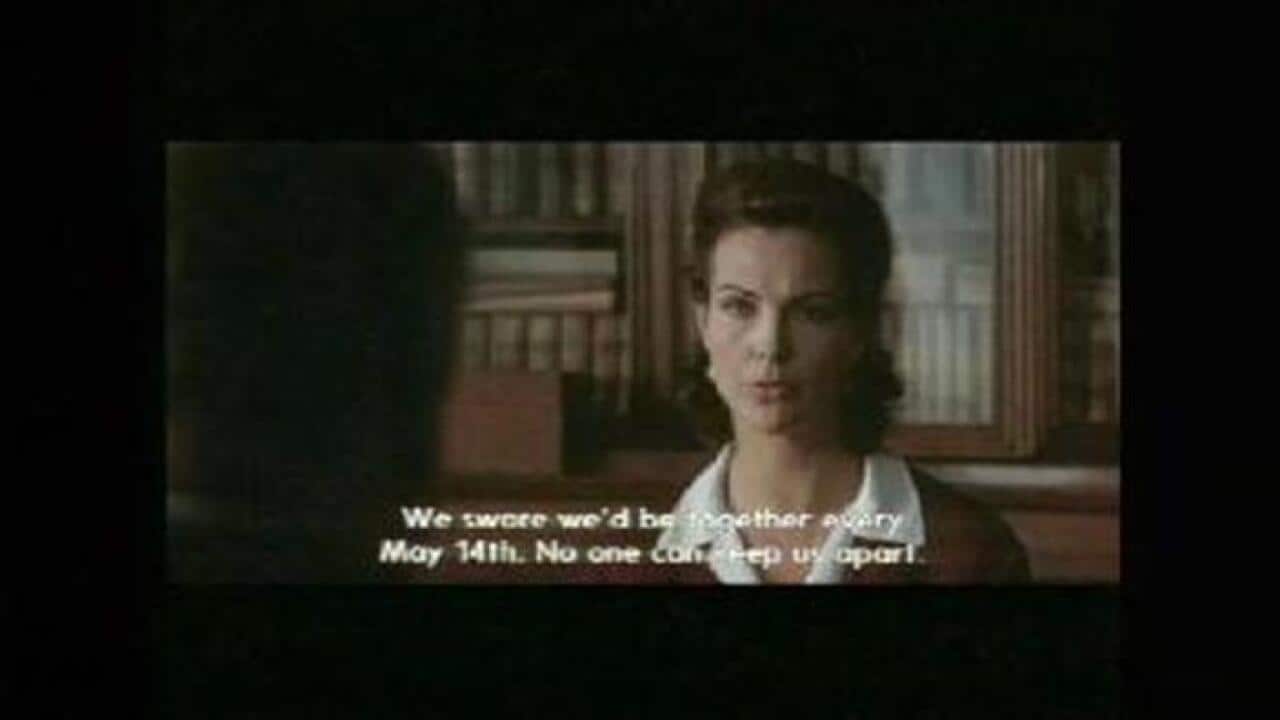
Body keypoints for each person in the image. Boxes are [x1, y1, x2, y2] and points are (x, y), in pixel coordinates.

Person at [654, 159, 1030, 584]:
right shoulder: (632, 557)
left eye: (812, 312)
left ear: (858, 332)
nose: (771, 346)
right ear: (703, 321)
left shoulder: (969, 554)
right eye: (739, 307)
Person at [166, 143, 464, 582]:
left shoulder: (204, 168)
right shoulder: (407, 176)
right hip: (354, 504)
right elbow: (420, 369)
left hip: (228, 493)